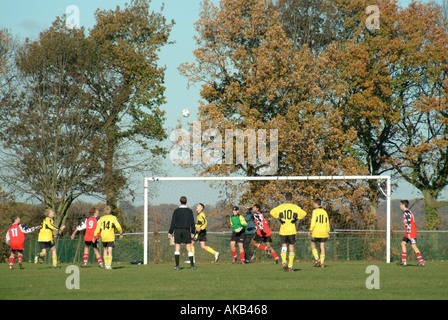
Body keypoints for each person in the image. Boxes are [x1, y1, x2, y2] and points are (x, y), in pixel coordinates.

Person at [270, 192, 307, 272]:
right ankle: (290, 266)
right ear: (292, 199)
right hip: (292, 230)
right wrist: (296, 218)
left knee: (284, 246)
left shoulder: (281, 207)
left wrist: (279, 218)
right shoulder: (295, 207)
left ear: (285, 199)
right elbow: (304, 213)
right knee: (291, 247)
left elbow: (272, 212)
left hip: (283, 230)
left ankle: (283, 262)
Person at [168, 196, 196, 270]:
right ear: (186, 202)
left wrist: (170, 232)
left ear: (180, 202)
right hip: (186, 230)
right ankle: (192, 265)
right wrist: (193, 232)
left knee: (177, 246)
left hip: (178, 230)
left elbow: (173, 222)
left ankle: (177, 266)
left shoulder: (176, 211)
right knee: (188, 247)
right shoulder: (189, 211)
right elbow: (192, 222)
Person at [93, 206, 123, 270]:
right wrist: (121, 233)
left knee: (105, 250)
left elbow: (97, 228)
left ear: (104, 211)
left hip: (104, 236)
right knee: (110, 250)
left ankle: (106, 265)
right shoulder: (113, 218)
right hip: (110, 236)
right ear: (110, 211)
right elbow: (118, 226)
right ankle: (109, 265)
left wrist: (94, 236)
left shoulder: (102, 218)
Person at [398, 200, 425, 267]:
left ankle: (421, 262)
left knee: (413, 246)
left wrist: (409, 233)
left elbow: (408, 223)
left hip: (410, 232)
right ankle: (403, 261)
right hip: (408, 232)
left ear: (403, 205)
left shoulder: (406, 213)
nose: (400, 206)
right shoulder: (406, 212)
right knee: (403, 243)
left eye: (400, 204)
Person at [308, 199, 330, 268]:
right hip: (324, 231)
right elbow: (327, 222)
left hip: (316, 231)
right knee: (322, 246)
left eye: (314, 203)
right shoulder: (325, 212)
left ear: (316, 204)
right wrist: (328, 231)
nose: (313, 205)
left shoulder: (315, 211)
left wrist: (310, 230)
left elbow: (313, 221)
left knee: (312, 244)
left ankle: (317, 259)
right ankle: (322, 263)